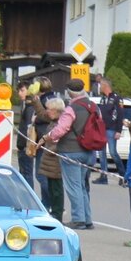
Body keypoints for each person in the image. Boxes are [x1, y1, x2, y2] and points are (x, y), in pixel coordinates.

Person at [44, 83, 100, 230]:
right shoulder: (94, 107)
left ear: (69, 93)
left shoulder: (71, 109)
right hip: (88, 150)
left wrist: (48, 137)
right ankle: (87, 219)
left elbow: (61, 129)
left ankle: (78, 219)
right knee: (82, 186)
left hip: (71, 150)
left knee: (73, 186)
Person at [32, 96, 66, 221]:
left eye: (49, 109)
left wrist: (51, 150)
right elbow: (42, 114)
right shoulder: (52, 120)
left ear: (56, 110)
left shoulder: (62, 123)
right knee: (51, 187)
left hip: (55, 159)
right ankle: (54, 210)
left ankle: (58, 213)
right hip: (49, 159)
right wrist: (36, 101)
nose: (47, 112)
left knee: (56, 189)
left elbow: (61, 140)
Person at [93, 77, 125, 184]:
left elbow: (120, 114)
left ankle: (123, 175)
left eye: (101, 85)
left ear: (105, 86)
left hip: (112, 129)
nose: (100, 87)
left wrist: (119, 130)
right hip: (102, 129)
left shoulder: (116, 98)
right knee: (101, 154)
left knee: (113, 152)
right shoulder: (102, 99)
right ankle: (103, 177)